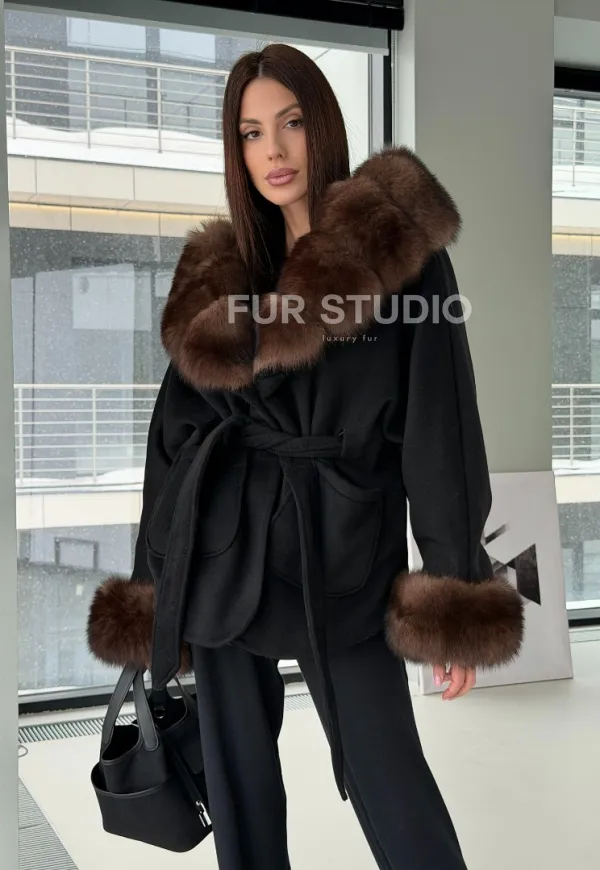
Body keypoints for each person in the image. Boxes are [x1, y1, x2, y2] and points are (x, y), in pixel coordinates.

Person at [86, 43, 524, 870]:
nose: (274, 150)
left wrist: (456, 589)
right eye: (251, 133)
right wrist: (154, 596)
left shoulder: (400, 253)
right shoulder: (219, 272)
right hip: (223, 556)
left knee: (391, 779)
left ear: (321, 125)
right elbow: (172, 445)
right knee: (240, 792)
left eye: (289, 123)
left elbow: (442, 431)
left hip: (341, 556)